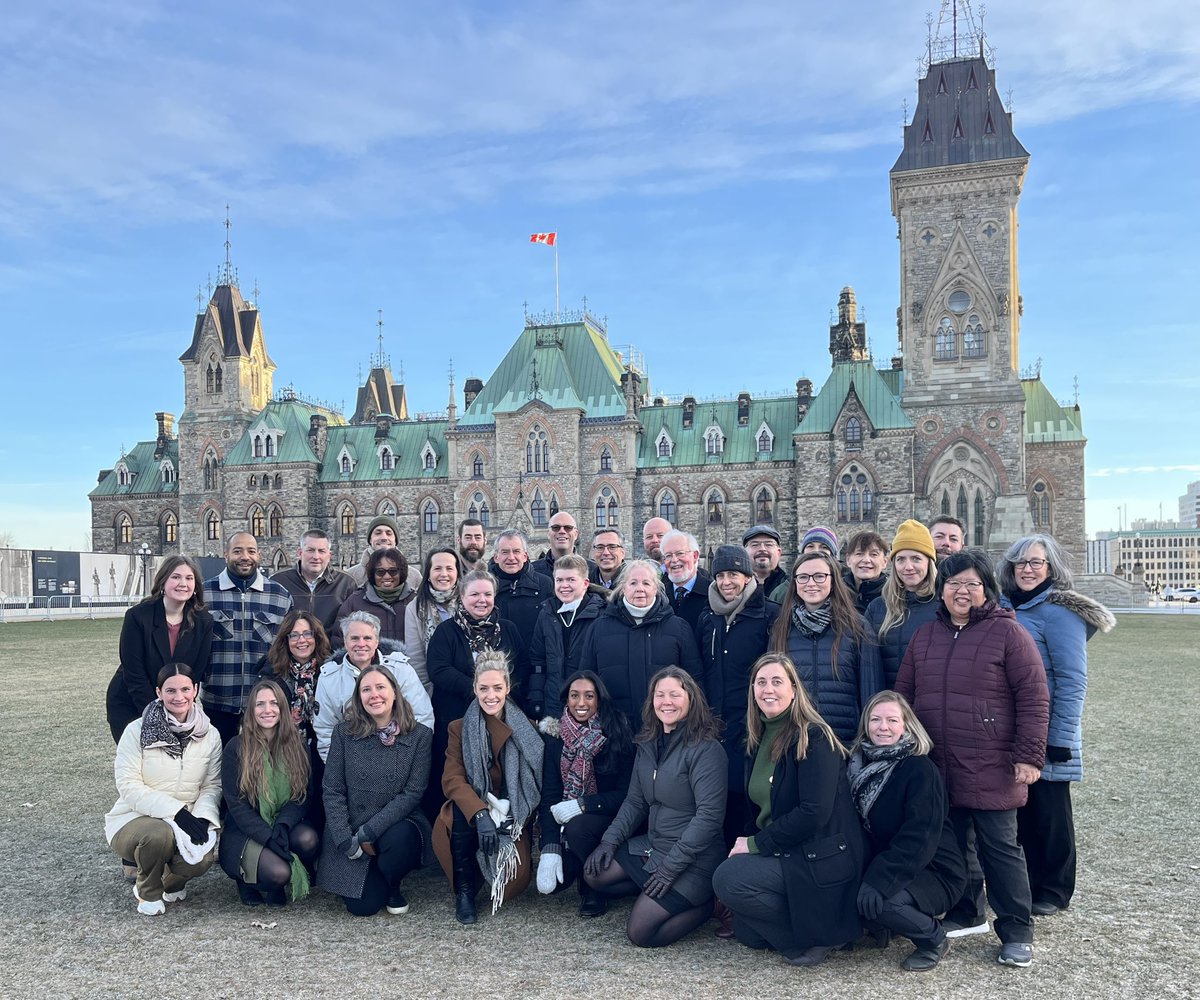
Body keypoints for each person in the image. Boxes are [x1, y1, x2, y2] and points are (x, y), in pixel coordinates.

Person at [896, 549, 1049, 968]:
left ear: (986, 590)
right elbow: (903, 697)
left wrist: (1029, 755)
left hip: (993, 762)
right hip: (939, 762)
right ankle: (967, 910)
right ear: (940, 590)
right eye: (953, 584)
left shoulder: (1008, 634)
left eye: (971, 584)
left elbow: (1034, 698)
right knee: (953, 847)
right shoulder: (925, 636)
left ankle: (1017, 929)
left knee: (1000, 847)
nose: (962, 591)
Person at [712, 653, 865, 966]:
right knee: (748, 933)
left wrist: (754, 845)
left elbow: (814, 812)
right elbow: (759, 807)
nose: (769, 689)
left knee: (727, 879)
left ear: (795, 690)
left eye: (777, 682)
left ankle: (822, 932)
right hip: (787, 848)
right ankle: (811, 925)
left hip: (820, 853)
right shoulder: (757, 738)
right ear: (752, 690)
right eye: (761, 682)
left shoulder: (814, 737)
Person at [999, 533, 1115, 916]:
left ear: (1051, 568)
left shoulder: (1060, 614)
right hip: (1009, 729)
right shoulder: (1004, 607)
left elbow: (1071, 681)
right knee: (1019, 813)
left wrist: (1058, 739)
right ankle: (1024, 884)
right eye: (1021, 563)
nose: (1027, 570)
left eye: (1036, 563)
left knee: (1049, 813)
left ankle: (1053, 889)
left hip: (1047, 730)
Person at [584, 667, 727, 948]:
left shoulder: (706, 750)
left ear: (691, 700)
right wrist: (608, 841)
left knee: (641, 933)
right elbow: (635, 801)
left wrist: (671, 869)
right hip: (655, 845)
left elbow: (709, 818)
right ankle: (656, 894)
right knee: (594, 875)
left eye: (675, 694)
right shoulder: (648, 743)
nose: (667, 701)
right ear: (651, 701)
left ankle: (707, 905)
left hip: (693, 859)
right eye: (660, 695)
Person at [847, 691, 966, 971]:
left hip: (934, 870)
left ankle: (934, 939)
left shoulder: (919, 769)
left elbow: (919, 838)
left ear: (906, 726)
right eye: (875, 720)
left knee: (882, 903)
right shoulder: (857, 766)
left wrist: (878, 880)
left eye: (892, 720)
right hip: (888, 865)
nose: (883, 727)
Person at [434, 650, 544, 924]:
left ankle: (490, 871)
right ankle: (465, 891)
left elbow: (533, 781)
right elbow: (453, 778)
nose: (490, 695)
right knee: (461, 812)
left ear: (508, 687)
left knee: (513, 883)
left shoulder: (527, 728)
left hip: (512, 812)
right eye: (483, 688)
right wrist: (480, 813)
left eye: (497, 687)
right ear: (474, 689)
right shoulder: (459, 728)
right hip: (475, 804)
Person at [105, 663, 222, 916]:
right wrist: (176, 812)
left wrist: (201, 817)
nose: (178, 697)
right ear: (158, 692)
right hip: (135, 819)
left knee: (202, 858)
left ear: (196, 690)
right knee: (158, 835)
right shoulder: (136, 730)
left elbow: (212, 785)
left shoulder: (210, 734)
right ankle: (148, 893)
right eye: (170, 690)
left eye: (185, 689)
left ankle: (172, 882)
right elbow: (128, 786)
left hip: (188, 817)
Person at [317, 664, 433, 916]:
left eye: (381, 687)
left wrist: (371, 830)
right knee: (362, 907)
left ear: (394, 692)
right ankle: (370, 877)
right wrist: (344, 837)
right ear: (359, 698)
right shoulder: (343, 733)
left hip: (396, 822)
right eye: (366, 689)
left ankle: (393, 883)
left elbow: (413, 792)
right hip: (352, 826)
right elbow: (333, 789)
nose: (374, 695)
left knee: (399, 841)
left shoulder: (419, 736)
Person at [697, 544, 780, 848]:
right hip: (716, 722)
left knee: (750, 795)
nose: (726, 581)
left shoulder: (769, 613)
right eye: (720, 575)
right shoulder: (708, 618)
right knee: (721, 797)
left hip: (753, 723)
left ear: (747, 577)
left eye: (733, 574)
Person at [536, 671, 636, 917]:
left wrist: (583, 805)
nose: (581, 703)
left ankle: (593, 886)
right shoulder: (555, 738)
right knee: (554, 884)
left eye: (589, 696)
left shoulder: (617, 734)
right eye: (574, 696)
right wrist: (549, 847)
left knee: (578, 827)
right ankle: (579, 869)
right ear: (566, 700)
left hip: (610, 819)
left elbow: (627, 795)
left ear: (599, 700)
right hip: (566, 822)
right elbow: (550, 795)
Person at [218, 679, 319, 906]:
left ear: (283, 708)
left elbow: (304, 795)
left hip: (282, 822)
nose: (267, 710)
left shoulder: (298, 745)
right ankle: (246, 881)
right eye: (260, 704)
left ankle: (273, 878)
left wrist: (282, 825)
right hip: (245, 830)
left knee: (307, 840)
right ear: (251, 710)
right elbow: (236, 805)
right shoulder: (237, 747)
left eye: (274, 703)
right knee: (277, 873)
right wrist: (268, 836)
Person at [770, 551, 881, 746]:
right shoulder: (781, 629)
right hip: (793, 740)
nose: (811, 583)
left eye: (819, 576)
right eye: (803, 577)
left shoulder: (857, 628)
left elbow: (871, 692)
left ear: (833, 580)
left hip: (842, 741)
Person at [578, 559, 703, 731]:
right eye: (633, 583)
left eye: (646, 583)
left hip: (667, 730)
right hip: (614, 732)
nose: (640, 589)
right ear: (623, 588)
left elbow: (695, 681)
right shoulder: (599, 628)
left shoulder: (678, 628)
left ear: (656, 588)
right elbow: (586, 679)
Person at [106, 554, 213, 743]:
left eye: (189, 578)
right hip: (131, 703)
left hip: (178, 705)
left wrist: (178, 711)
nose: (183, 583)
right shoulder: (138, 617)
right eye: (176, 577)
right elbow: (134, 673)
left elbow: (195, 672)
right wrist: (158, 716)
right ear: (163, 581)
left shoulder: (203, 621)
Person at [203, 532, 294, 744]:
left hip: (265, 704)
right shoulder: (205, 593)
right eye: (237, 551)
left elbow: (288, 650)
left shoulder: (280, 596)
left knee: (264, 766)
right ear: (225, 554)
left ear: (259, 555)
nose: (245, 556)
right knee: (221, 765)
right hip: (218, 700)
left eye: (251, 551)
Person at [313, 611, 433, 763]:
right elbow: (325, 731)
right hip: (352, 764)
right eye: (354, 638)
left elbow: (422, 717)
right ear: (345, 641)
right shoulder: (329, 678)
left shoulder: (401, 670)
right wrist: (340, 771)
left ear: (376, 641)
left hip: (400, 757)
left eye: (367, 638)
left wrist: (408, 760)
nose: (361, 644)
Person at [529, 555, 608, 716]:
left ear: (585, 583)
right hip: (553, 702)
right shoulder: (546, 613)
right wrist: (537, 697)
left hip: (589, 705)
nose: (564, 585)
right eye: (559, 580)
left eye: (571, 580)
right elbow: (538, 659)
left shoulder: (601, 615)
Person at [865, 520, 940, 687]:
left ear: (929, 562)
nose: (908, 566)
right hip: (889, 705)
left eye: (916, 558)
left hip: (928, 704)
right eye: (900, 559)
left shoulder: (943, 606)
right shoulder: (877, 608)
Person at [487, 529, 551, 677]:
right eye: (505, 552)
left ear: (525, 555)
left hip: (536, 670)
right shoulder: (486, 587)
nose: (511, 557)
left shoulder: (545, 584)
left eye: (516, 551)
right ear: (496, 557)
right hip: (496, 671)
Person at [271, 529, 356, 636]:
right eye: (310, 550)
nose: (316, 557)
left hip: (331, 651)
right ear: (300, 553)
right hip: (290, 650)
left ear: (329, 556)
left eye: (321, 551)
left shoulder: (346, 583)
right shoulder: (278, 581)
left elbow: (353, 626)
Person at [403, 547, 465, 692]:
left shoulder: (469, 602)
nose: (444, 574)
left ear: (457, 573)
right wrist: (428, 693)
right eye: (437, 568)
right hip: (433, 689)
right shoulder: (415, 608)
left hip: (468, 686)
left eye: (449, 568)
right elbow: (416, 659)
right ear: (428, 574)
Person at [330, 546, 415, 648]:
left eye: (393, 571)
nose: (387, 576)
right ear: (372, 573)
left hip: (408, 663)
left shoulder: (415, 601)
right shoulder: (355, 602)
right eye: (380, 572)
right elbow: (339, 639)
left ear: (401, 572)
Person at [347, 514, 421, 590]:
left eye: (389, 533)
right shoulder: (350, 576)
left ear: (395, 540)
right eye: (378, 533)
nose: (384, 538)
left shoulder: (414, 576)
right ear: (370, 539)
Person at [768, 525, 839, 603]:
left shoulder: (846, 588)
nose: (816, 551)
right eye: (810, 546)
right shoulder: (782, 592)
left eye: (824, 547)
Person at [661, 529, 711, 632]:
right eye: (668, 555)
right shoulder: (658, 594)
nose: (674, 560)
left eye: (680, 553)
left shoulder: (712, 593)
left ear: (695, 556)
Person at [532, 512, 596, 581]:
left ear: (576, 534)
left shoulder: (593, 570)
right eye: (556, 527)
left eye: (568, 527)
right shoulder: (532, 570)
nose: (562, 531)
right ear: (548, 534)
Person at [844, 530, 889, 614]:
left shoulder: (895, 597)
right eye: (859, 553)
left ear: (885, 562)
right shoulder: (835, 593)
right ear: (848, 560)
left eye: (874, 554)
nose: (866, 560)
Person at [743, 525, 787, 597]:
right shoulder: (736, 588)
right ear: (744, 552)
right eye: (755, 545)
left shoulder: (792, 586)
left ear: (779, 552)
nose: (762, 549)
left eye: (769, 544)